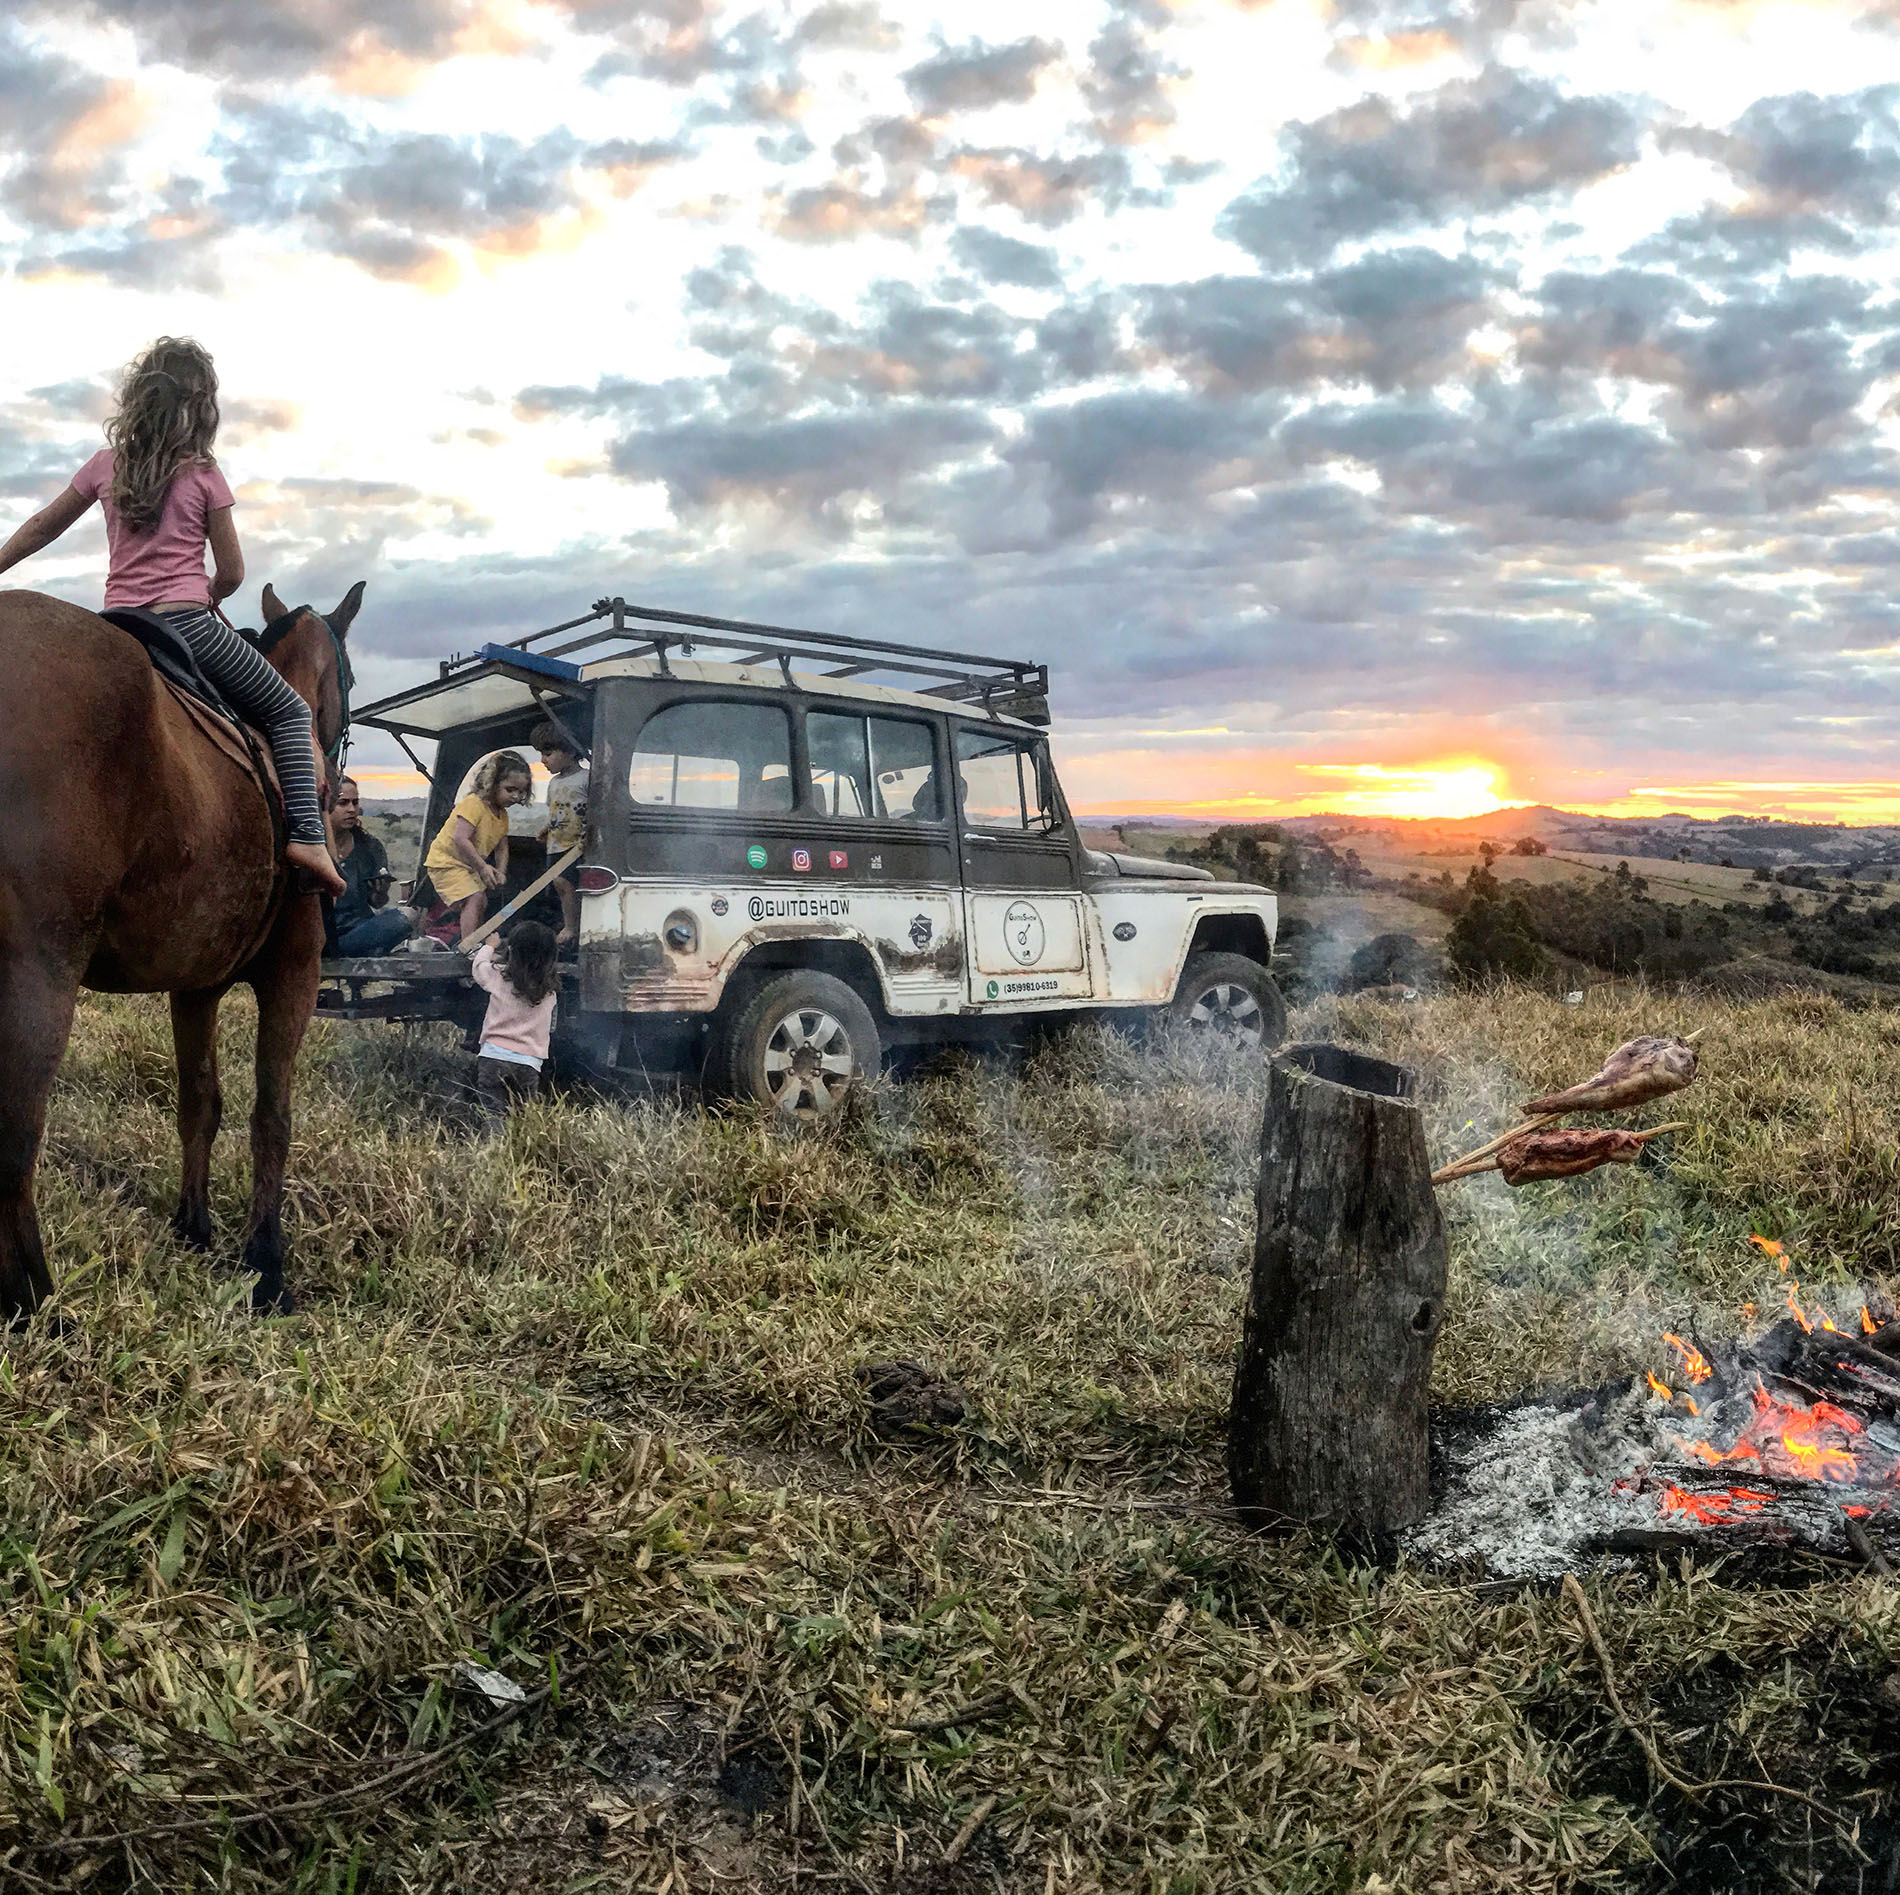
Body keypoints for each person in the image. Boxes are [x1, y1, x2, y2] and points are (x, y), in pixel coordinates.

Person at [0, 336, 344, 895]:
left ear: (138, 398)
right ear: (203, 406)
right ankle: (307, 833)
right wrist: (205, 593)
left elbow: (42, 526)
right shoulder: (205, 473)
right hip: (185, 624)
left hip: (115, 625)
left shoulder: (104, 466)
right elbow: (232, 571)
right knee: (286, 707)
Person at [422, 750, 532, 940]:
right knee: (475, 897)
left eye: (521, 792)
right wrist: (482, 867)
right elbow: (460, 838)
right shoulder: (474, 804)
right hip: (446, 862)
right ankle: (469, 945)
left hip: (467, 865)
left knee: (481, 901)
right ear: (492, 784)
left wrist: (501, 871)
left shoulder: (502, 815)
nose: (515, 796)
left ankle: (473, 940)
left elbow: (501, 846)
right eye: (510, 789)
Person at [469, 921, 558, 1124]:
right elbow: (551, 1028)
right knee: (526, 1116)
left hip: (493, 1057)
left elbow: (478, 966)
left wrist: (490, 946)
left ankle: (492, 1148)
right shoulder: (550, 992)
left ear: (510, 951)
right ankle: (520, 1152)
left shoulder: (498, 976)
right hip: (529, 1063)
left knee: (493, 1114)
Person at [324, 776, 411, 956]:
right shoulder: (313, 847)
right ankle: (365, 952)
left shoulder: (369, 846)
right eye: (343, 803)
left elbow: (377, 903)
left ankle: (354, 951)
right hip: (321, 933)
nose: (351, 809)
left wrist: (381, 891)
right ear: (326, 804)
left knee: (407, 917)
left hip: (360, 928)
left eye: (355, 803)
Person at [530, 719, 589, 945]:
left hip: (576, 845)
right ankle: (570, 923)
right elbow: (556, 811)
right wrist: (547, 829)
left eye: (548, 753)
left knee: (567, 884)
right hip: (557, 842)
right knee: (559, 884)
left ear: (570, 750)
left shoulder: (585, 778)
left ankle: (572, 927)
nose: (543, 760)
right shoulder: (554, 783)